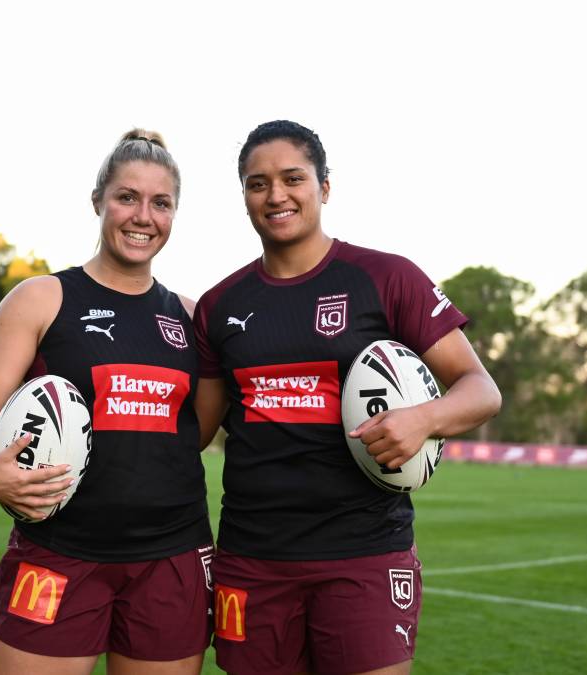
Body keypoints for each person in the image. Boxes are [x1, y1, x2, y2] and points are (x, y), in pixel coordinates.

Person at [192, 120, 502, 675]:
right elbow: (192, 433)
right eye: (257, 183)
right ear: (243, 196)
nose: (276, 195)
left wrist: (424, 419)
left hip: (363, 554)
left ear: (325, 186)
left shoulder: (386, 277)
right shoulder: (220, 305)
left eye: (293, 178)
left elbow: (480, 389)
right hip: (252, 558)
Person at [0, 129, 212, 675]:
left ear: (174, 214)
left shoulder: (191, 318)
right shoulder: (42, 298)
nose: (143, 216)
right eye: (127, 197)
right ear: (98, 201)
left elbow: (197, 433)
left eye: (160, 203)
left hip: (171, 558)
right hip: (60, 551)